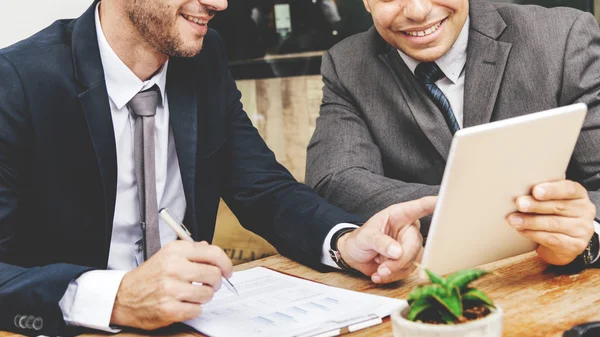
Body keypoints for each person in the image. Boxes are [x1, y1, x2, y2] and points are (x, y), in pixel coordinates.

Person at [0, 0, 438, 335]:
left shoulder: (203, 58)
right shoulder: (17, 81)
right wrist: (114, 297)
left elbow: (264, 189)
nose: (222, 3)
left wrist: (344, 242)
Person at [306, 0, 600, 272]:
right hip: (421, 291)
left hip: (552, 283)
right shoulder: (346, 64)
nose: (418, 10)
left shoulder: (563, 37)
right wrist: (480, 209)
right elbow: (335, 178)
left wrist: (588, 238)